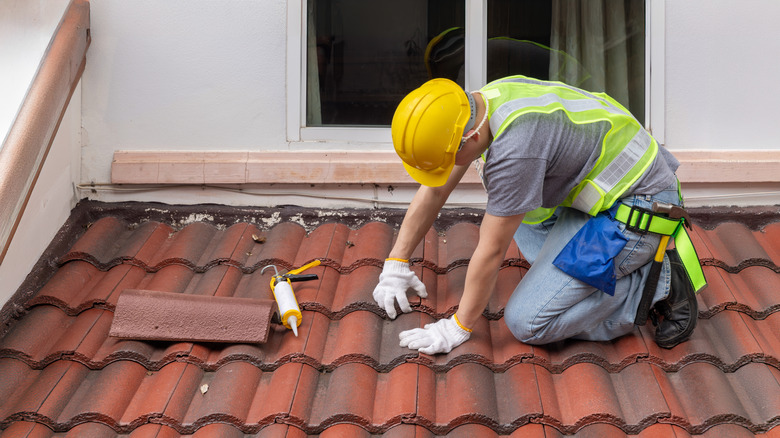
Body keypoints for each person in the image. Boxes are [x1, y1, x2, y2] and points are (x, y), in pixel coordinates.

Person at [372, 75, 705, 355]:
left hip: (640, 208)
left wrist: (458, 326)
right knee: (521, 216)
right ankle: (599, 270)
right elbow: (435, 189)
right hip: (606, 196)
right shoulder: (484, 102)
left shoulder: (517, 150)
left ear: (469, 137)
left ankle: (656, 284)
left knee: (528, 321)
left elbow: (490, 250)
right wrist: (396, 263)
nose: (450, 170)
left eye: (450, 159)